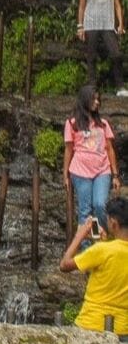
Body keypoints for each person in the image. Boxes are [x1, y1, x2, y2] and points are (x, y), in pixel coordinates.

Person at [60, 195, 128, 336]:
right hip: (123, 329)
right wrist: (100, 242)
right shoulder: (104, 249)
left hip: (91, 326)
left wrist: (79, 236)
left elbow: (64, 265)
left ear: (114, 223)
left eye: (108, 220)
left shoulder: (102, 251)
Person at [63, 85, 120, 235]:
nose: (97, 102)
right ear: (85, 99)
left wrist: (115, 175)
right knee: (86, 211)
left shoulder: (103, 124)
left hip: (102, 170)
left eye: (98, 99)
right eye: (93, 98)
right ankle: (90, 245)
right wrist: (65, 175)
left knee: (100, 205)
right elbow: (68, 150)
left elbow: (109, 149)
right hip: (80, 172)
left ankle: (104, 236)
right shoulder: (72, 124)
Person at [76, 0, 127, 95]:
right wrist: (80, 26)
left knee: (116, 54)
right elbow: (81, 6)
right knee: (91, 56)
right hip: (91, 24)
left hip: (108, 25)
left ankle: (120, 87)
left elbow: (117, 5)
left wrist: (121, 24)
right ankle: (92, 87)